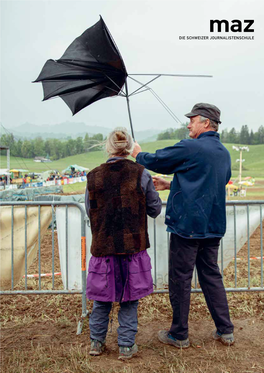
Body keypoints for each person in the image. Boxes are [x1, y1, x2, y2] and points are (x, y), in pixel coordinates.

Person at [131, 103, 234, 348]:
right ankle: (226, 330)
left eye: (193, 120)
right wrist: (170, 186)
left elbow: (159, 160)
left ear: (206, 122)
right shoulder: (223, 153)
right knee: (211, 276)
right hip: (213, 226)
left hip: (187, 226)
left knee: (180, 278)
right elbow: (210, 180)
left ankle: (179, 334)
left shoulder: (191, 146)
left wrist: (137, 154)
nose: (188, 124)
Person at [85, 127, 162, 360]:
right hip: (132, 248)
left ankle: (96, 343)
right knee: (129, 298)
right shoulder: (141, 173)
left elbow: (91, 211)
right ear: (129, 148)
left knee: (102, 298)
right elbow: (155, 209)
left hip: (103, 248)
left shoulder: (93, 176)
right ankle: (126, 346)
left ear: (108, 147)